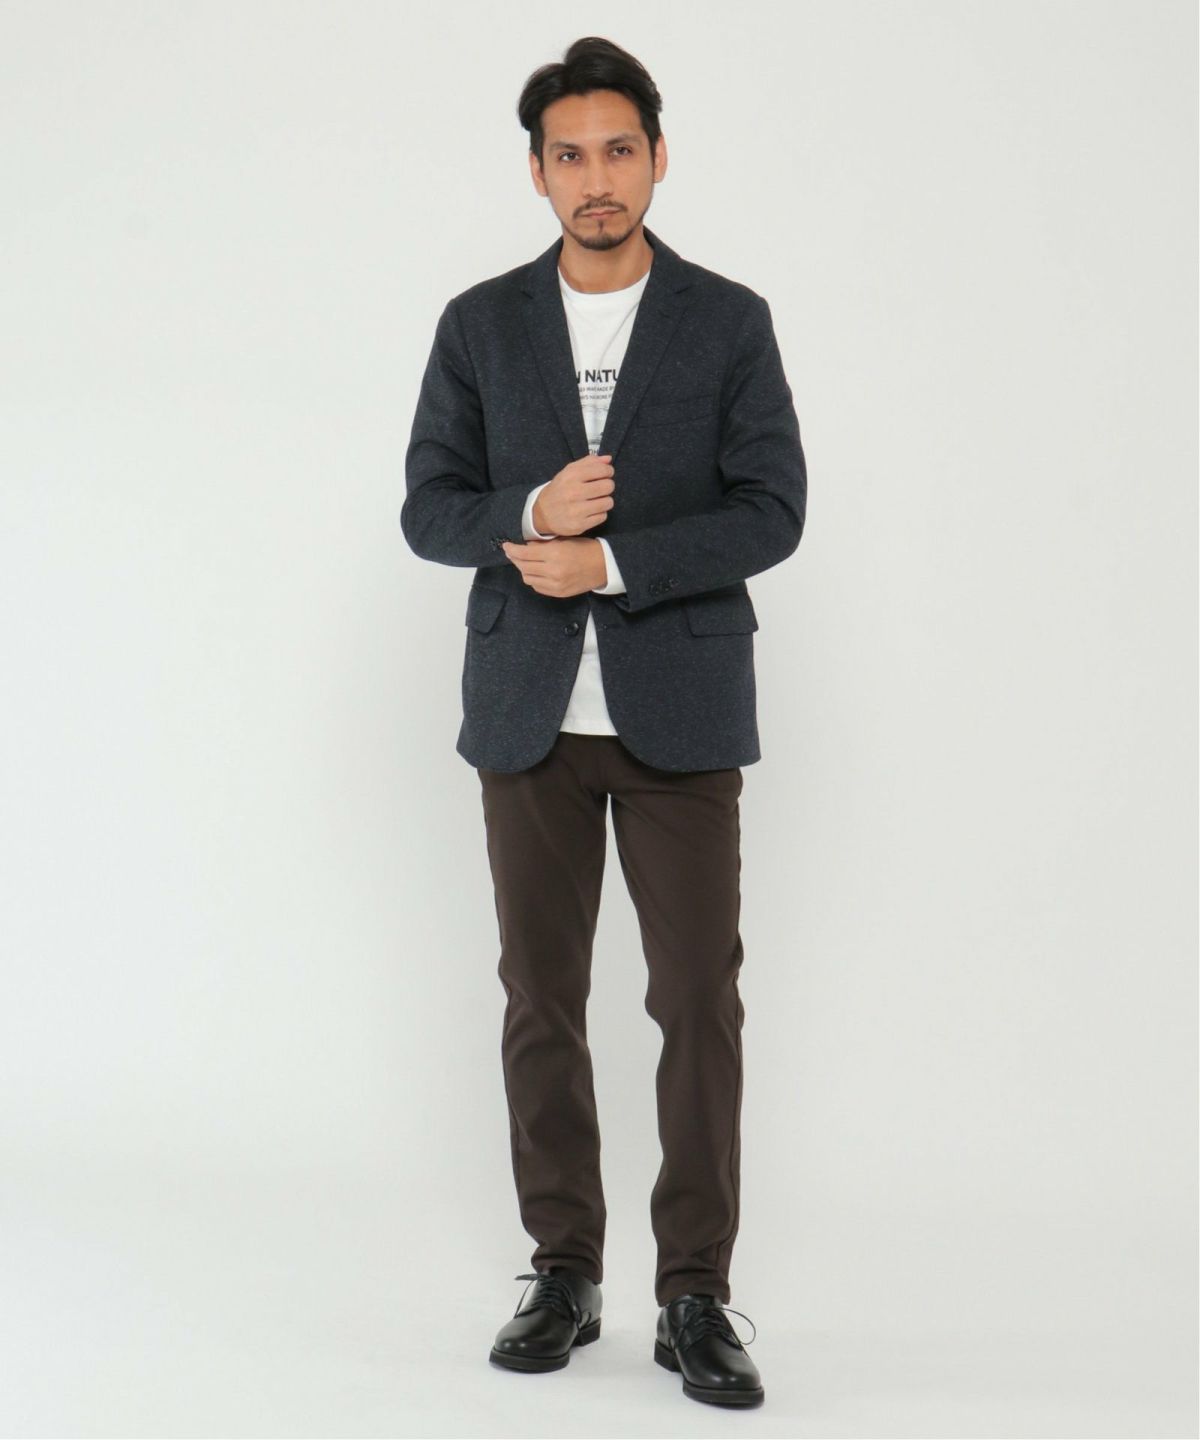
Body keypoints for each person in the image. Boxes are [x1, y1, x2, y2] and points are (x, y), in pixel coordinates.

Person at [402, 34, 806, 1410]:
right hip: (527, 710)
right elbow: (427, 506)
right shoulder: (479, 323)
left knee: (696, 1000)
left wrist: (614, 563)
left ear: (659, 157)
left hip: (681, 709)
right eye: (569, 155)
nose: (597, 178)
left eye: (619, 150)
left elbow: (773, 510)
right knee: (541, 999)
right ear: (536, 172)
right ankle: (564, 1270)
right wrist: (527, 515)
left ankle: (695, 1293)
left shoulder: (727, 319)